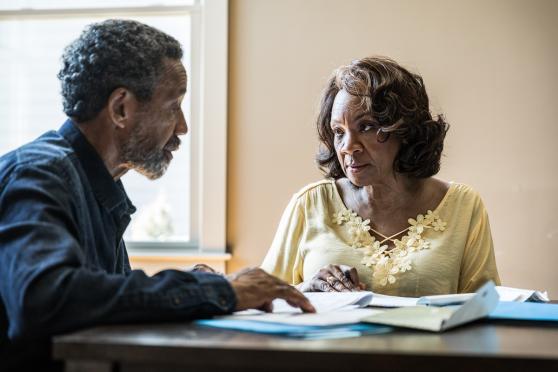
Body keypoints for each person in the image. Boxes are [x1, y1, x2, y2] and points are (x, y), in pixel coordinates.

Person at [0, 19, 314, 371]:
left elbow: (98, 297)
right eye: (173, 106)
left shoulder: (96, 183)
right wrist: (220, 292)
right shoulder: (40, 172)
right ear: (121, 108)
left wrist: (195, 284)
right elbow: (46, 299)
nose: (182, 127)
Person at [262, 56, 500, 297]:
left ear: (404, 130)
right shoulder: (310, 204)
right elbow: (260, 301)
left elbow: (487, 309)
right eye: (338, 132)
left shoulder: (463, 206)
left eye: (366, 126)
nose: (348, 147)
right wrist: (305, 289)